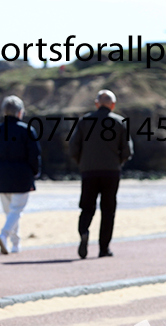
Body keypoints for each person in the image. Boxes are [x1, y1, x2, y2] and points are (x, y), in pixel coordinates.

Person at [69, 90, 133, 258]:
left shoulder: (84, 121)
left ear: (97, 103)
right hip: (111, 171)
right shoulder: (119, 122)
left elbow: (73, 147)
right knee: (108, 210)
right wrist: (118, 162)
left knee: (87, 206)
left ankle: (84, 232)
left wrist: (82, 163)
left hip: (89, 171)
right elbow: (127, 150)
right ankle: (104, 248)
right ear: (113, 105)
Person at [0, 95, 40, 254]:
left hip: (2, 174)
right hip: (22, 174)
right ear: (19, 112)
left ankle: (15, 244)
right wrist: (35, 172)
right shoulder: (26, 130)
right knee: (16, 210)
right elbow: (34, 154)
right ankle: (4, 235)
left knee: (10, 212)